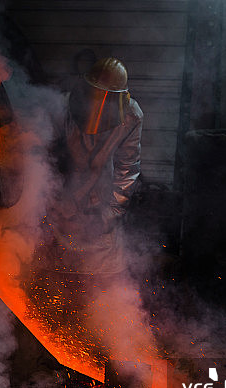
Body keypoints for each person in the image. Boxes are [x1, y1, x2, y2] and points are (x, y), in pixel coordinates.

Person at [51, 56, 143, 275]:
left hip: (102, 198)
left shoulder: (130, 116)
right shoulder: (63, 108)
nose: (99, 109)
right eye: (94, 98)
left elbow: (127, 168)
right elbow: (45, 160)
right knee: (58, 275)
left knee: (104, 279)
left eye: (106, 102)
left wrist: (108, 215)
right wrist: (52, 204)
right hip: (65, 197)